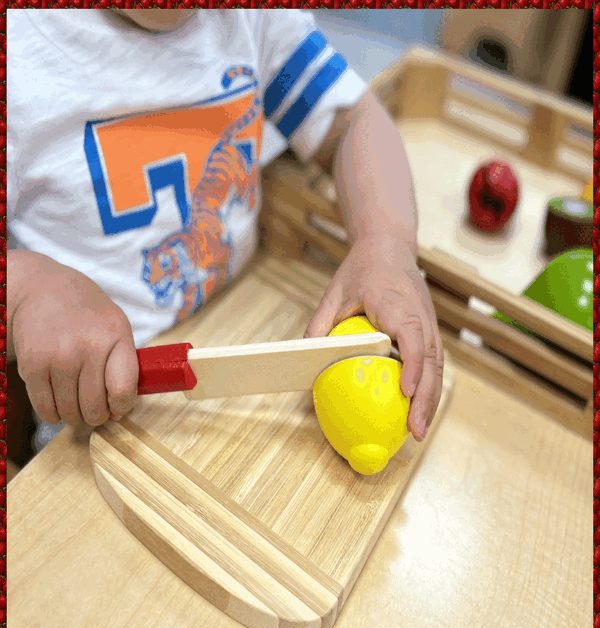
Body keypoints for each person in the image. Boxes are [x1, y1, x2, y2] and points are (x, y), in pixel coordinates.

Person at [7, 9, 443, 445]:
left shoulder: (254, 20)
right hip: (91, 420)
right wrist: (27, 291)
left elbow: (353, 123)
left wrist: (386, 242)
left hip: (243, 324)